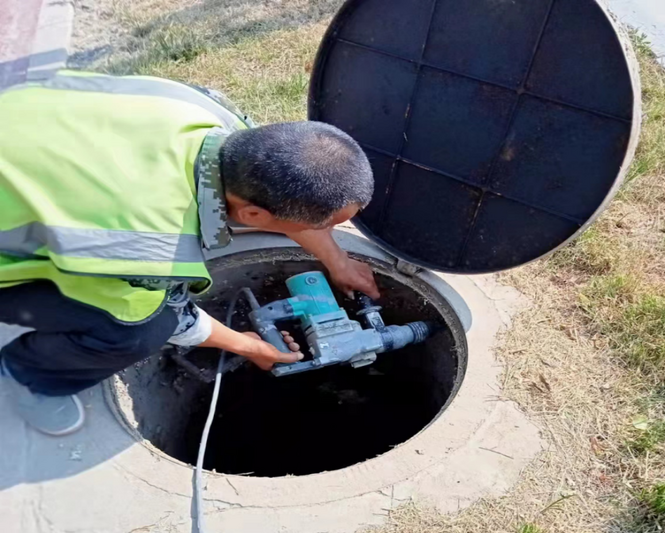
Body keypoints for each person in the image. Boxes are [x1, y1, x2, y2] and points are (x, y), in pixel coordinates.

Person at [0, 70, 380, 436]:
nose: (324, 233)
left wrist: (338, 260)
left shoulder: (208, 114)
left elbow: (268, 201)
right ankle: (30, 376)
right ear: (252, 216)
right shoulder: (149, 245)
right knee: (138, 330)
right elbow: (170, 317)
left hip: (19, 118)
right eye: (318, 226)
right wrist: (250, 346)